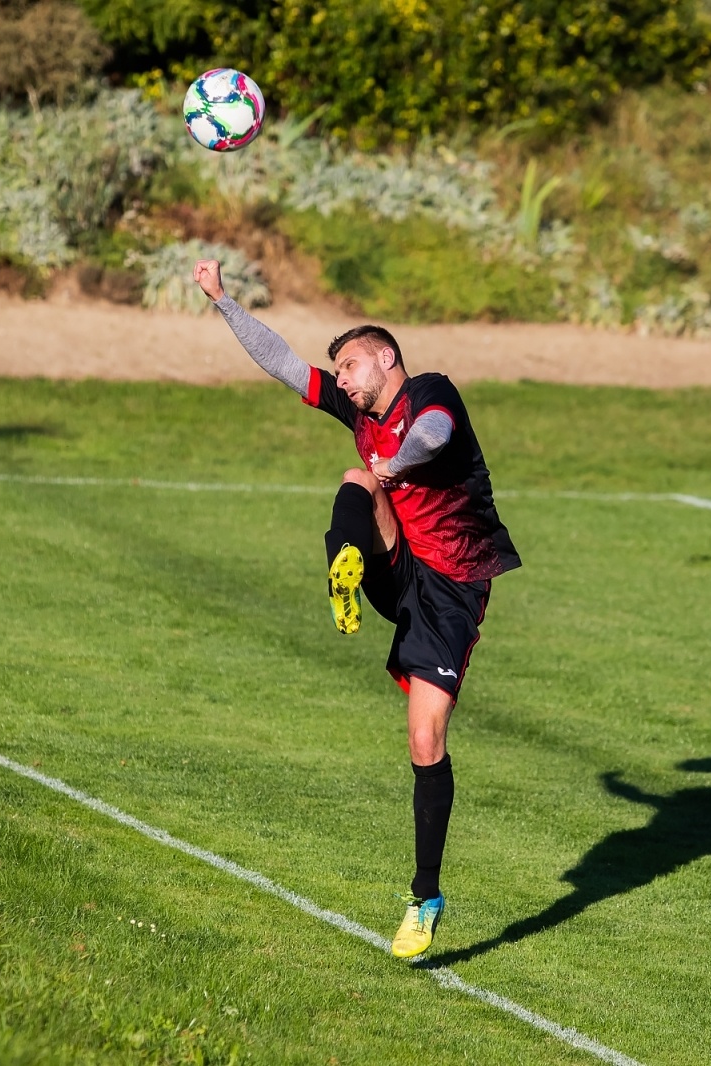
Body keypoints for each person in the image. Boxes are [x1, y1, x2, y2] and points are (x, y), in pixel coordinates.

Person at [194, 260, 521, 956]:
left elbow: (432, 434)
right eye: (338, 370)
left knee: (425, 740)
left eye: (350, 365)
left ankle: (424, 898)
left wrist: (395, 464)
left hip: (451, 589)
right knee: (353, 477)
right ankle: (342, 563)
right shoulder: (358, 412)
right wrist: (224, 301)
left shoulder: (431, 393)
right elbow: (284, 363)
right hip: (393, 562)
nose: (340, 378)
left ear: (387, 358)